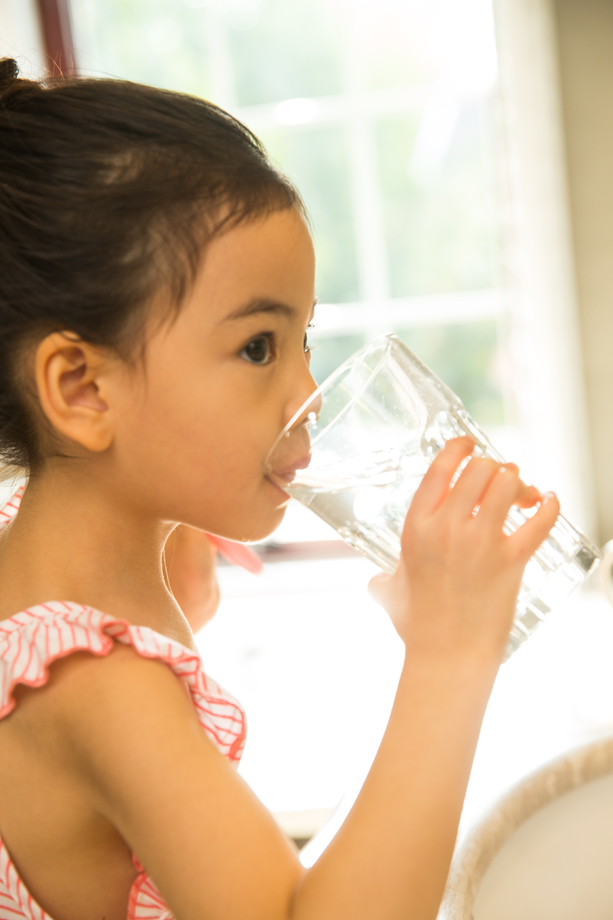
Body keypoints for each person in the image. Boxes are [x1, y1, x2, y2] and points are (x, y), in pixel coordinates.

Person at [0, 57, 560, 920]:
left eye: (304, 339)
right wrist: (450, 652)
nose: (307, 392)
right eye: (258, 347)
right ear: (82, 389)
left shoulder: (39, 566)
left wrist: (172, 539)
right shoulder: (99, 687)